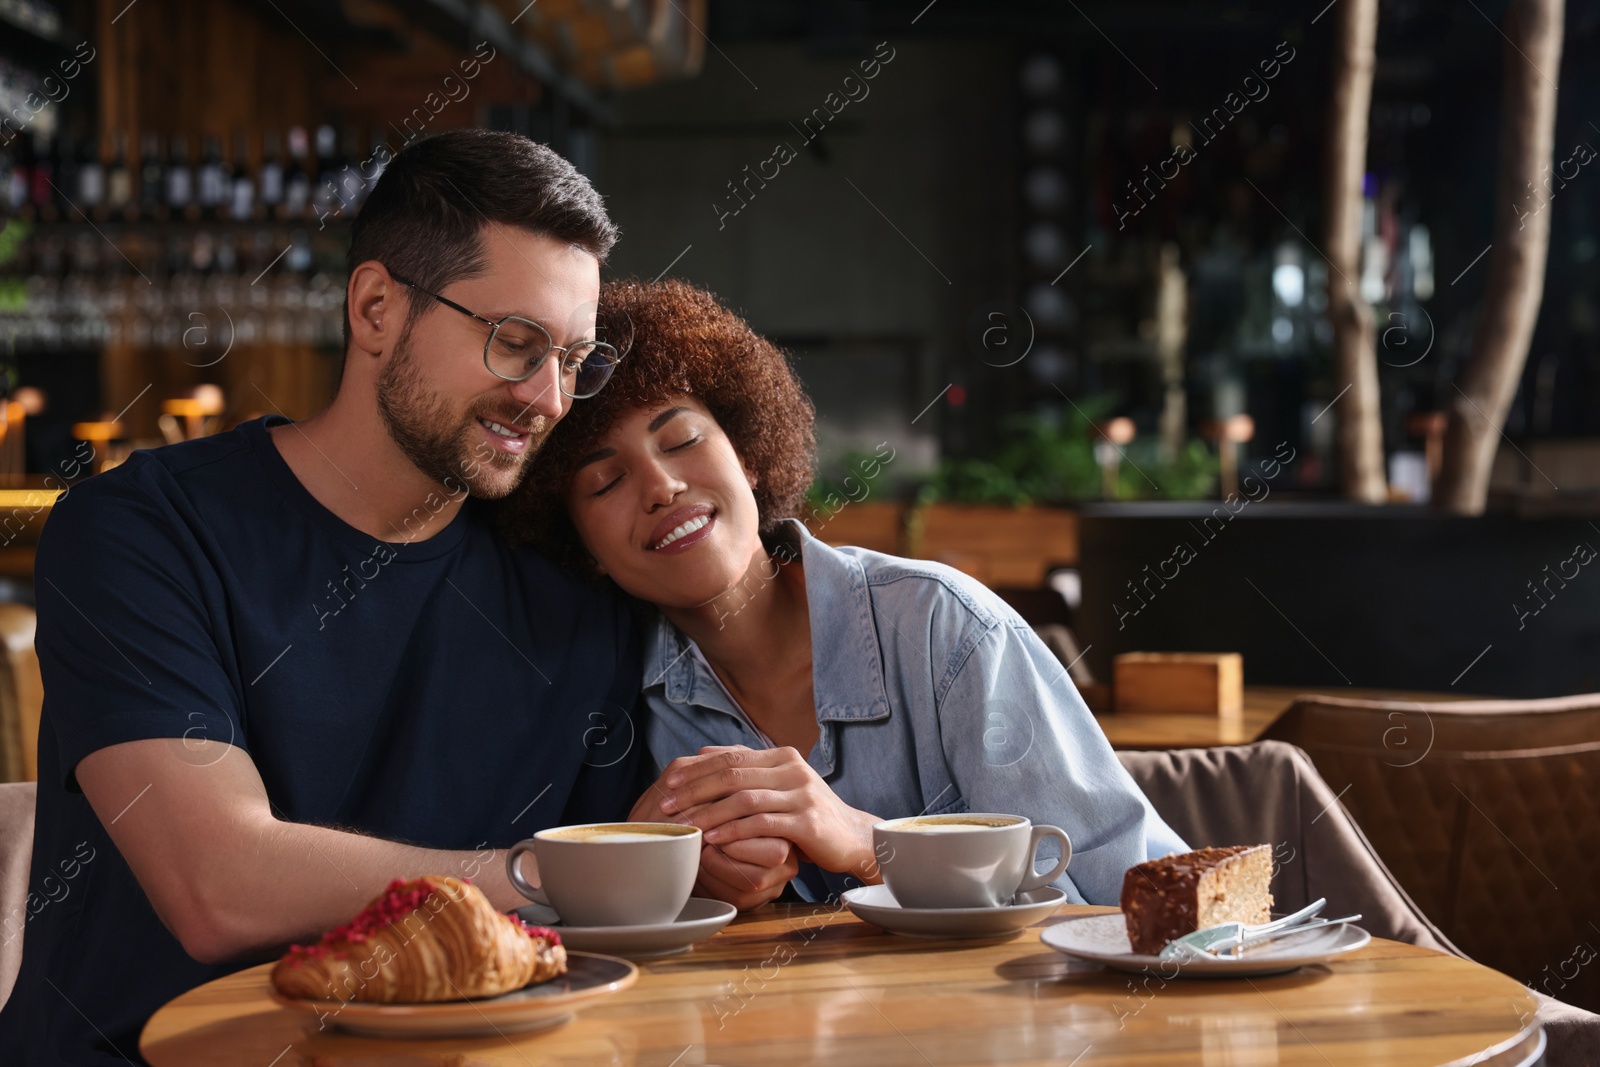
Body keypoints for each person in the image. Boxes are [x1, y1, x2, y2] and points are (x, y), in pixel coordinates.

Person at [0, 129, 651, 1065]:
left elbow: (593, 950)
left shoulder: (572, 590)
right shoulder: (138, 533)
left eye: (575, 360)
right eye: (516, 343)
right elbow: (218, 886)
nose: (548, 397)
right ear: (378, 307)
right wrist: (535, 875)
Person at [500, 278, 1187, 909]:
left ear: (746, 452)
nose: (659, 486)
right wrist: (667, 871)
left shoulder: (944, 629)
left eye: (680, 438)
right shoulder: (612, 697)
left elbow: (1142, 903)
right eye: (605, 483)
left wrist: (871, 845)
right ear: (577, 541)